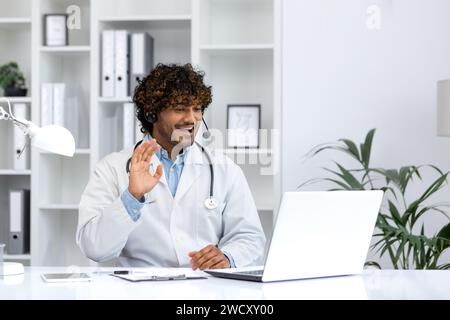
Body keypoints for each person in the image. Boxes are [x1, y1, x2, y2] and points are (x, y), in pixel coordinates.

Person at [76, 63, 265, 269]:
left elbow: (251, 238)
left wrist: (228, 257)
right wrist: (131, 197)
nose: (191, 118)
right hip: (142, 292)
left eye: (197, 109)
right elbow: (93, 247)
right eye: (180, 109)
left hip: (204, 290)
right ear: (151, 114)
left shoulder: (225, 170)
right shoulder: (112, 168)